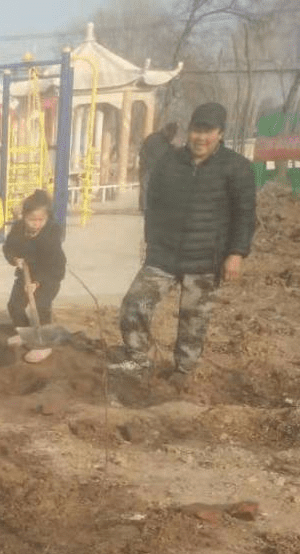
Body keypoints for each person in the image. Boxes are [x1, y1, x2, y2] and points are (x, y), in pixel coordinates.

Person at [111, 102, 256, 380]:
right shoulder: (170, 161)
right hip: (163, 254)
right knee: (134, 304)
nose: (201, 137)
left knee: (193, 319)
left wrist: (236, 253)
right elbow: (154, 203)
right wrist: (150, 241)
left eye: (208, 131)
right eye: (196, 130)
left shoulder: (237, 168)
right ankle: (137, 359)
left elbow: (245, 215)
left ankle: (183, 370)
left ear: (221, 134)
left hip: (206, 257)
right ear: (188, 131)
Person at [2, 189, 66, 328]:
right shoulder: (18, 229)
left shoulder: (51, 234)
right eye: (32, 220)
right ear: (24, 216)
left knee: (40, 306)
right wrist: (14, 259)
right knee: (14, 306)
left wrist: (37, 283)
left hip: (48, 277)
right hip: (26, 274)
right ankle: (25, 331)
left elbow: (51, 264)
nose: (36, 224)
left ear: (47, 218)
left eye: (40, 220)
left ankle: (44, 340)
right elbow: (8, 247)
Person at [138, 122, 179, 213]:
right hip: (151, 167)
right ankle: (146, 207)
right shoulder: (163, 141)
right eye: (172, 134)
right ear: (168, 131)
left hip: (148, 166)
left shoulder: (153, 138)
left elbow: (142, 151)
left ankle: (145, 207)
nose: (172, 137)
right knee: (148, 187)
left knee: (146, 187)